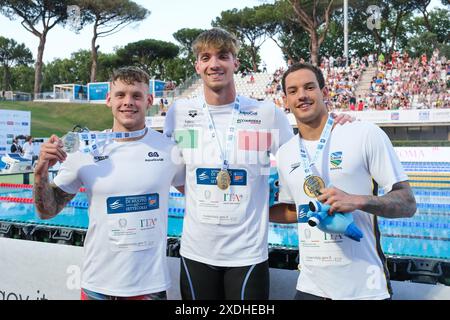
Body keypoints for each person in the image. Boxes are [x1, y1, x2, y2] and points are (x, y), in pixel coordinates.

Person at [164, 28, 352, 300]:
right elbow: (179, 177)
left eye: (223, 56)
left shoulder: (265, 113)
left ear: (235, 63)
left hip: (248, 254)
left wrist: (335, 126)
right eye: (205, 57)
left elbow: (300, 158)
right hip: (196, 252)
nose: (214, 64)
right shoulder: (179, 113)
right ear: (197, 65)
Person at [33, 66, 185, 300]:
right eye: (120, 95)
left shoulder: (169, 150)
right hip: (98, 285)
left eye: (136, 95)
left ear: (149, 100)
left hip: (149, 287)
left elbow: (197, 200)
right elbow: (47, 211)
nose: (128, 102)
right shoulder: (83, 150)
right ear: (108, 100)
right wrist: (40, 173)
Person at [270, 62, 416, 300]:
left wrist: (357, 201)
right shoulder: (286, 153)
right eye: (293, 91)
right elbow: (295, 211)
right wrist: (248, 209)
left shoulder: (364, 134)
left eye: (309, 87)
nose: (302, 96)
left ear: (324, 92)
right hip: (310, 287)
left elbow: (408, 203)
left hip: (364, 289)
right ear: (285, 101)